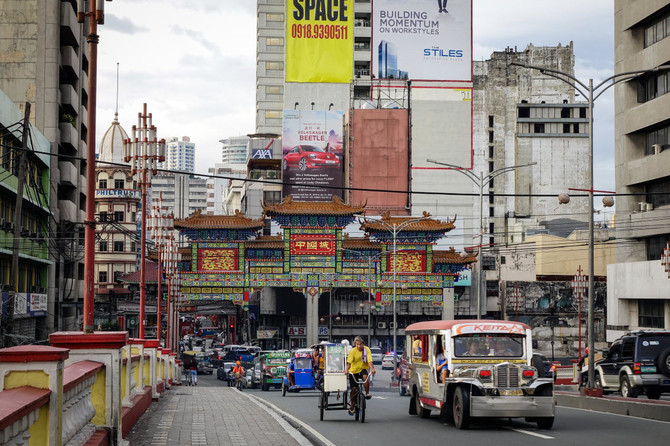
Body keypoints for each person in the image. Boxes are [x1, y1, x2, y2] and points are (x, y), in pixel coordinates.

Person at [345, 336, 376, 415]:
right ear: (355, 344)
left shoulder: (366, 350)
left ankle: (367, 393)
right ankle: (352, 405)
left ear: (363, 344)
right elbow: (349, 363)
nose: (359, 346)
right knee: (354, 389)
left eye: (360, 344)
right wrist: (346, 370)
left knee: (365, 377)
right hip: (353, 371)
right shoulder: (352, 351)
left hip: (362, 369)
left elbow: (369, 361)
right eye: (357, 344)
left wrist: (372, 369)